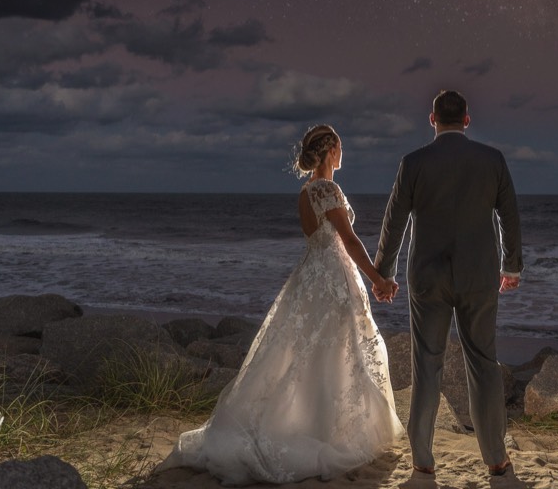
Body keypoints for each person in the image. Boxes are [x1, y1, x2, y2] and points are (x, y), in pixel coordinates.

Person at [160, 125, 404, 485]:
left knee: (306, 353)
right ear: (332, 150)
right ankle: (327, 433)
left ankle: (306, 422)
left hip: (310, 276)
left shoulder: (306, 192)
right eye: (341, 147)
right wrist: (377, 278)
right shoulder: (328, 189)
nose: (342, 153)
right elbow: (349, 241)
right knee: (335, 351)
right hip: (333, 279)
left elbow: (322, 239)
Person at [374, 90, 523, 478]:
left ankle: (423, 462)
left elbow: (394, 222)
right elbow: (509, 215)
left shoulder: (413, 163)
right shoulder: (492, 160)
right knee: (484, 363)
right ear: (467, 120)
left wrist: (382, 274)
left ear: (432, 119)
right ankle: (495, 458)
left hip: (427, 277)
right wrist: (513, 266)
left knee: (427, 365)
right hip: (479, 276)